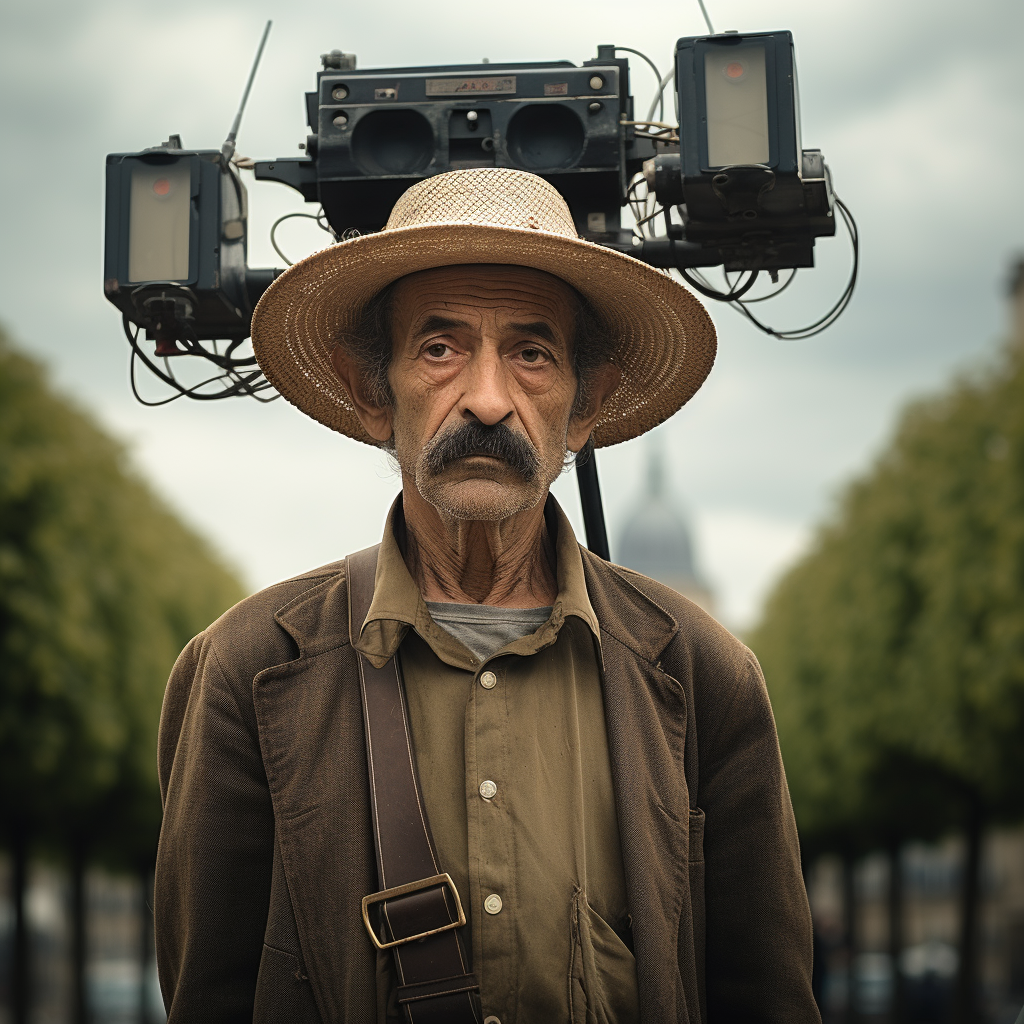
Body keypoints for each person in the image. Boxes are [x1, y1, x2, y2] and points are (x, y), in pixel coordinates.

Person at [154, 167, 820, 1023]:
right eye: (439, 349)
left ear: (584, 410)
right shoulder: (247, 670)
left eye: (532, 353)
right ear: (372, 394)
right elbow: (209, 995)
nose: (489, 399)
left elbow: (766, 998)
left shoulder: (703, 676)